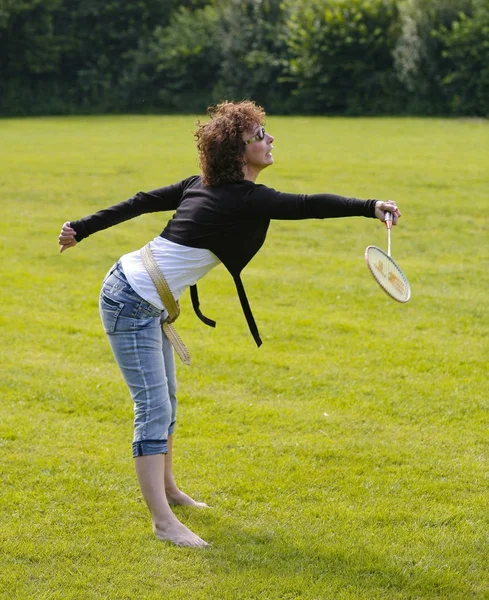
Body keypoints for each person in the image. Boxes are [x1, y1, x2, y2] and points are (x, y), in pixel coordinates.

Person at [58, 100, 401, 548]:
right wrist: (369, 206)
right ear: (238, 153)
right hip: (131, 300)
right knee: (153, 410)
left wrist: (81, 229)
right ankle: (163, 523)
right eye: (260, 135)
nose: (270, 139)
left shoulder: (213, 187)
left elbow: (142, 202)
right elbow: (306, 205)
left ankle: (170, 490)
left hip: (143, 296)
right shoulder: (231, 193)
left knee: (168, 404)